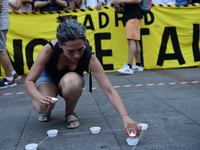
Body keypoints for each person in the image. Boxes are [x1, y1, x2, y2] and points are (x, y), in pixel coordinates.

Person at [24, 15, 141, 135]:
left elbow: (109, 90)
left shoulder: (89, 56)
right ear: (60, 44)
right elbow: (29, 81)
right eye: (70, 50)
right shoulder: (50, 48)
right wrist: (40, 98)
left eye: (80, 49)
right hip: (49, 78)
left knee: (72, 82)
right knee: (42, 107)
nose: (76, 55)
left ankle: (70, 112)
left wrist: (125, 116)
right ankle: (46, 109)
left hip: (70, 80)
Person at [113, 0, 143, 75]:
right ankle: (138, 64)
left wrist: (120, 1)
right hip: (132, 15)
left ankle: (129, 66)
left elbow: (137, 0)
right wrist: (121, 6)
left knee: (131, 39)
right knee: (135, 40)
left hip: (133, 16)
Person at [0, 0, 21, 89]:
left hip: (0, 23)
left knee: (1, 50)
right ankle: (13, 73)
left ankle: (10, 79)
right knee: (2, 49)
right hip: (2, 22)